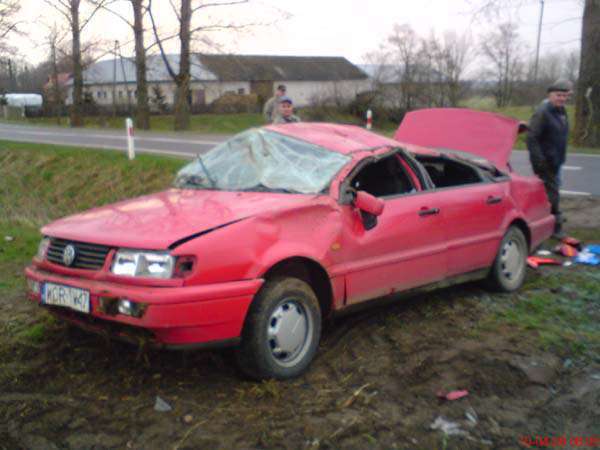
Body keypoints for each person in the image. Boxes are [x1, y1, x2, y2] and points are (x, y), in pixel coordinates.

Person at [526, 79, 573, 239]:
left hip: (556, 160)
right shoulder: (543, 112)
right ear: (550, 95)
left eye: (564, 96)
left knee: (550, 191)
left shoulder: (560, 110)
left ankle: (544, 220)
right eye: (558, 95)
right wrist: (540, 161)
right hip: (545, 161)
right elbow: (532, 138)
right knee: (552, 194)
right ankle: (555, 227)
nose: (562, 98)